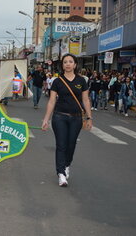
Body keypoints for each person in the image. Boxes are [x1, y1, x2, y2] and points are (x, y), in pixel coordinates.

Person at [42, 53, 92, 187]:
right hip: (60, 116)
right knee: (61, 145)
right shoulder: (57, 81)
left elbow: (86, 100)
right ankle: (61, 174)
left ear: (75, 65)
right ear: (62, 65)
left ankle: (66, 165)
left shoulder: (82, 81)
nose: (68, 64)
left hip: (76, 118)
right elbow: (52, 101)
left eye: (70, 62)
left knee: (71, 144)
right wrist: (46, 119)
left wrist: (89, 117)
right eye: (65, 62)